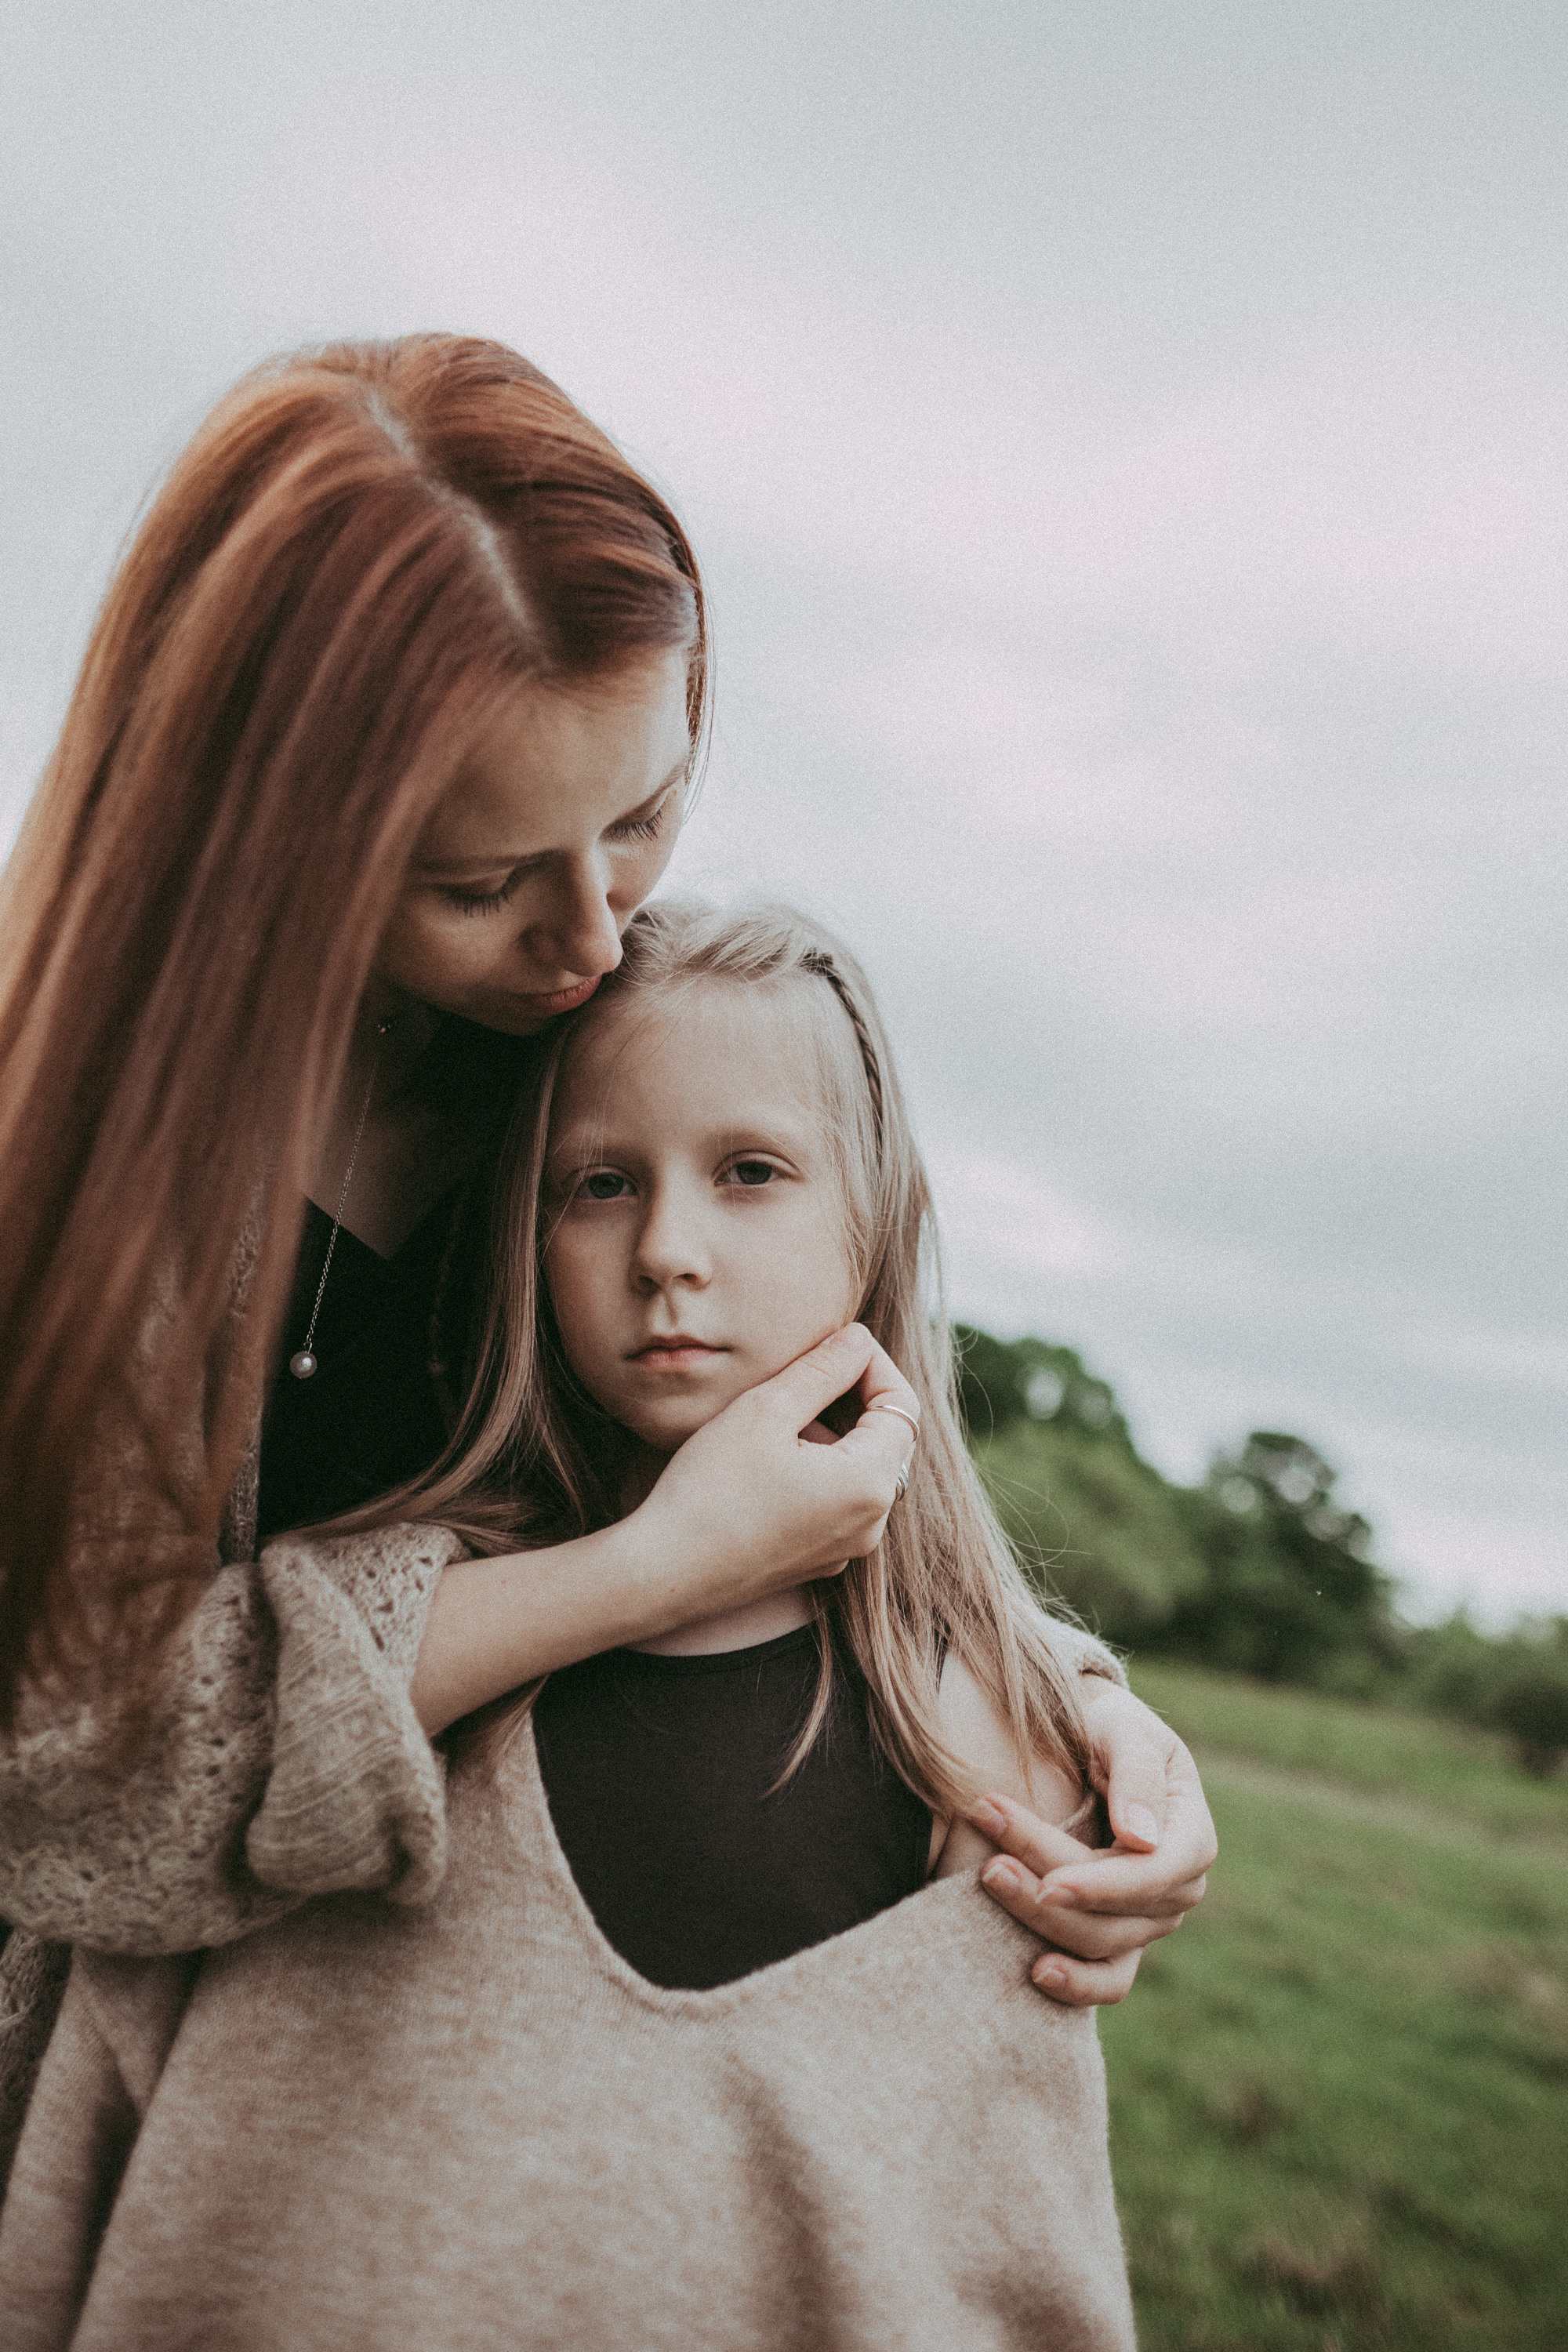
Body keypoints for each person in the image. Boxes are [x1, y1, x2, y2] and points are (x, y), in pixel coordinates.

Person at [0, 335, 1214, 2173]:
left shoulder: (561, 1061)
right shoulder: (83, 1172)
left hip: (490, 2138)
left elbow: (781, 1413)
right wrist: (643, 1573)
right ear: (263, 840)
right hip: (126, 2157)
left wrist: (1083, 1706)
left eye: (640, 816)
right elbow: (85, 1781)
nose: (589, 936)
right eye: (479, 881)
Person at [0, 903, 1141, 2350]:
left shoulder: (984, 1742)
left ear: (880, 1222)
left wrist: (1075, 1697)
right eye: (598, 1183)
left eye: (751, 1172)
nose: (668, 1248)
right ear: (518, 1231)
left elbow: (1003, 2263)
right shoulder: (384, 1634)